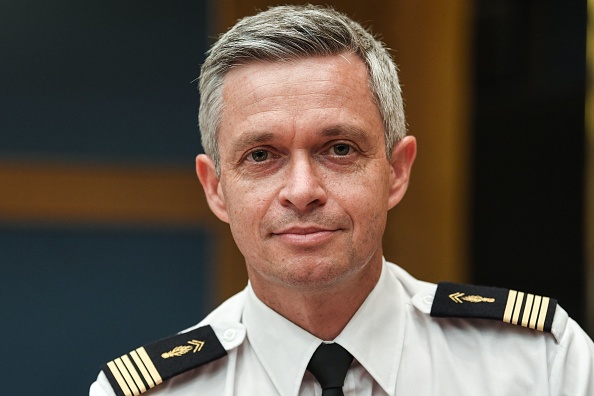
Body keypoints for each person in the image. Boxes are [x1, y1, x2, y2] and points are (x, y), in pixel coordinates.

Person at [90, 5, 594, 396]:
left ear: (396, 172)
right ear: (216, 187)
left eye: (339, 149)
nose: (303, 190)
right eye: (262, 155)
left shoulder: (537, 363)